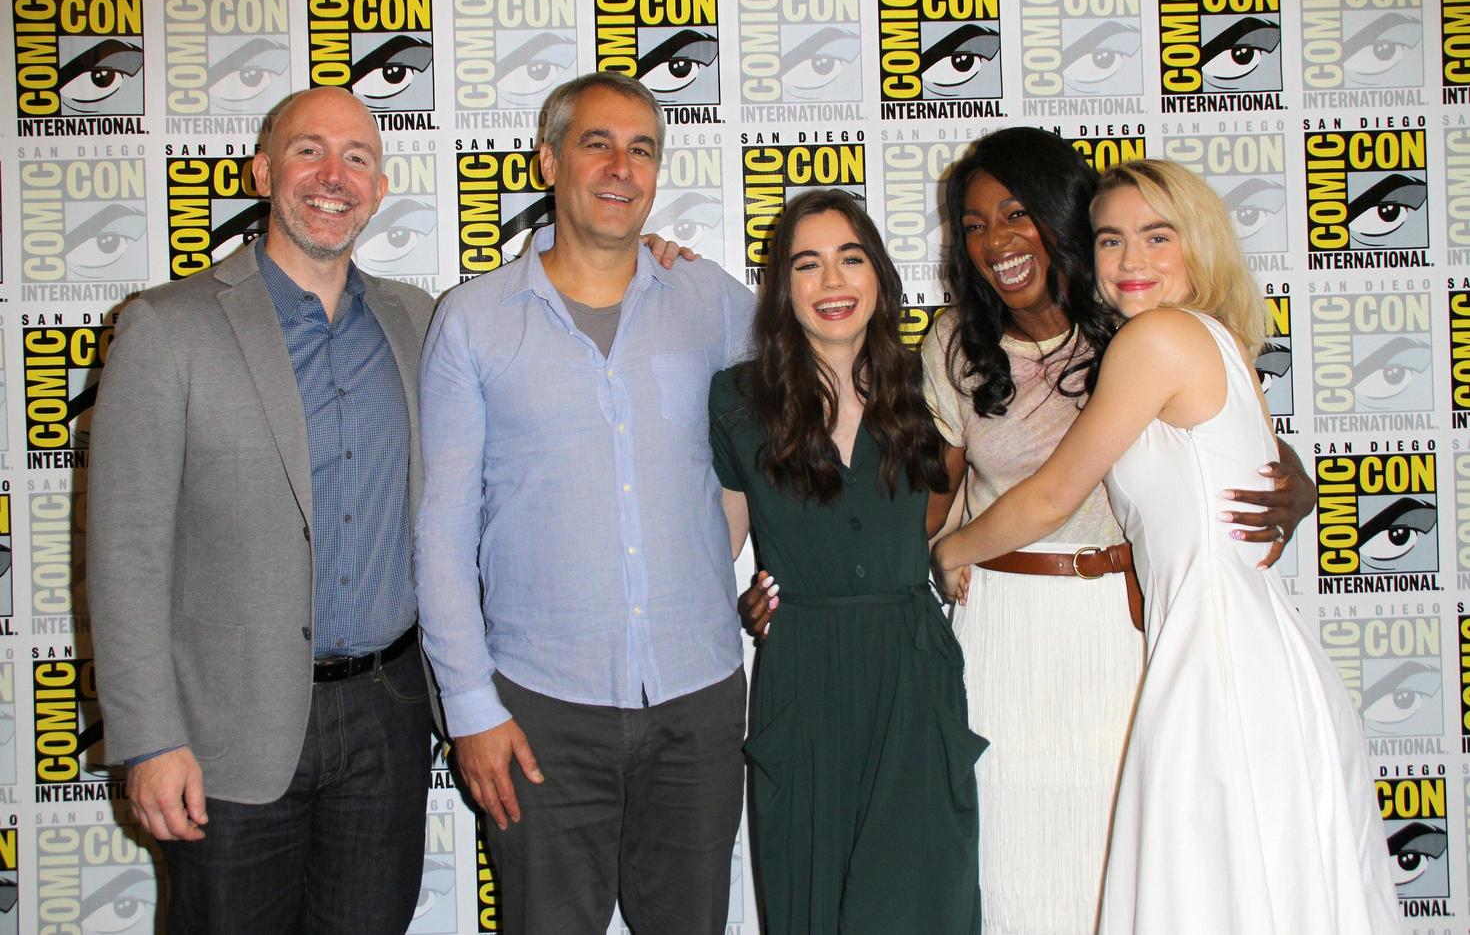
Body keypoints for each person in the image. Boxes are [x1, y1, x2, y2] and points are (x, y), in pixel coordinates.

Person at [933, 159, 1397, 933]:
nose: (1130, 260)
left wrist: (952, 551)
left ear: (1199, 242)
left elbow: (1054, 494)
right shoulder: (1215, 339)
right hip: (1234, 648)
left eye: (1157, 236)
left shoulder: (1156, 340)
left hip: (1216, 657)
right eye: (1112, 241)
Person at [88, 86, 439, 933]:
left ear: (380, 187)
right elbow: (126, 549)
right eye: (309, 150)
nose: (333, 175)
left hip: (388, 717)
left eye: (358, 157)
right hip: (223, 732)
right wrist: (146, 737)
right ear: (263, 169)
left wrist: (646, 255)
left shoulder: (419, 322)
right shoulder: (167, 329)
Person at [413, 72, 754, 934]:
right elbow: (443, 536)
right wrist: (471, 708)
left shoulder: (711, 300)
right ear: (549, 160)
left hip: (698, 699)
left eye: (642, 149)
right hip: (538, 712)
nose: (621, 166)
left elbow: (818, 405)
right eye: (597, 143)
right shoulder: (474, 321)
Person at [712, 189, 985, 934]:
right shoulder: (738, 401)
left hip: (911, 671)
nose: (832, 283)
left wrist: (954, 554)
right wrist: (739, 600)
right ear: (781, 288)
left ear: (879, 277)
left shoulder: (928, 384)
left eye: (850, 259)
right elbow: (718, 549)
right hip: (803, 676)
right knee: (812, 902)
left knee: (922, 899)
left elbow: (973, 494)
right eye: (808, 265)